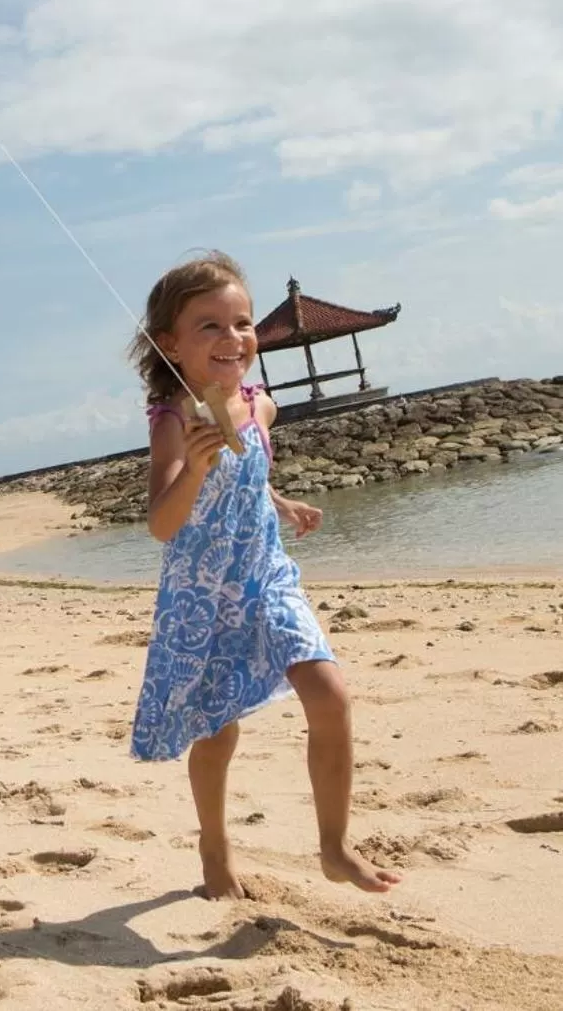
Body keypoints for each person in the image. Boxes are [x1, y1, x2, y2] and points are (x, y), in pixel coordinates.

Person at [127, 251, 398, 899]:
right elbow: (162, 524)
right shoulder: (172, 420)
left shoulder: (262, 407)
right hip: (204, 592)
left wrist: (281, 502)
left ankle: (333, 846)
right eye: (210, 326)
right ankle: (214, 846)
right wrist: (192, 467)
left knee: (330, 695)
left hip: (266, 578)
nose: (233, 337)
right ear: (171, 343)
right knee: (218, 731)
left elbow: (248, 476)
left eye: (242, 323)